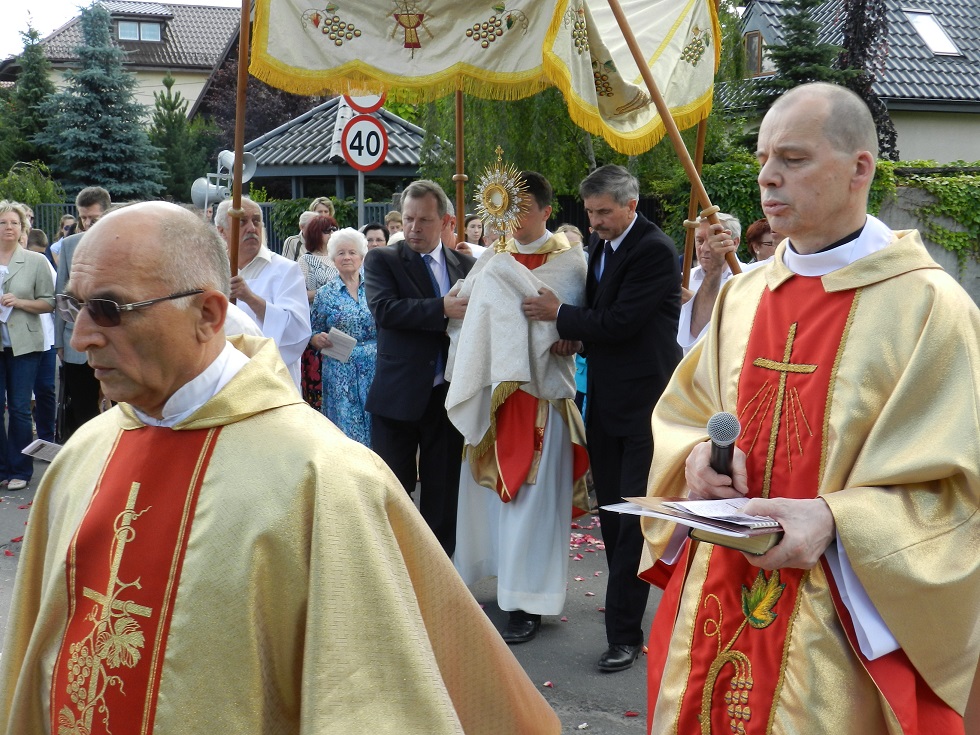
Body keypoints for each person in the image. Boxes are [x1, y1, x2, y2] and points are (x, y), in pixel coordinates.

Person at [0, 201, 561, 734]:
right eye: (75, 305)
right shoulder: (86, 453)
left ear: (208, 313)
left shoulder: (322, 476)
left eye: (110, 309)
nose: (80, 338)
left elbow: (364, 701)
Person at [642, 82, 979, 734]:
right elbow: (685, 413)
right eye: (765, 156)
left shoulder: (931, 309)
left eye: (792, 159)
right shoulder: (743, 297)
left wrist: (835, 517)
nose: (767, 176)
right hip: (716, 595)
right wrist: (693, 464)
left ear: (860, 168)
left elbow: (958, 493)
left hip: (839, 627)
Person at [523, 164, 682, 672]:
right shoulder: (603, 247)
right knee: (611, 515)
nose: (594, 223)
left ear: (631, 205)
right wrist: (579, 337)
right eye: (590, 213)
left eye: (604, 213)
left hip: (646, 406)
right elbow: (605, 323)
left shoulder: (654, 250)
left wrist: (560, 316)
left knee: (632, 519)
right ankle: (622, 612)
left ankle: (625, 635)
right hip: (608, 403)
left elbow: (624, 321)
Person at [449, 171, 591, 643]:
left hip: (541, 399)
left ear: (548, 212)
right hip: (493, 395)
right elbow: (466, 307)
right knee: (486, 501)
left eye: (523, 209)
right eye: (507, 208)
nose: (513, 218)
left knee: (532, 504)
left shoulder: (569, 262)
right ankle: (495, 579)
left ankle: (528, 600)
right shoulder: (492, 256)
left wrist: (570, 329)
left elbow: (576, 325)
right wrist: (460, 301)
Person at [363, 180, 475, 555]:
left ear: (445, 221)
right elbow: (385, 310)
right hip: (398, 396)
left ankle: (441, 581)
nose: (413, 228)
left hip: (448, 397)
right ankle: (391, 576)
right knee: (392, 493)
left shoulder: (467, 265)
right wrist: (441, 308)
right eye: (408, 219)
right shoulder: (383, 260)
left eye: (424, 220)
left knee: (443, 498)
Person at [214, 197, 310, 391]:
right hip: (223, 381)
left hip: (272, 382)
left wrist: (250, 298)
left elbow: (298, 332)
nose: (252, 228)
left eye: (256, 221)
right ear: (221, 231)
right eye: (242, 222)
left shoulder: (286, 270)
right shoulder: (211, 270)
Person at [0, 201, 55, 490]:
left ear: (23, 228)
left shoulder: (36, 262)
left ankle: (20, 470)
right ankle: (1, 468)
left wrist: (19, 302)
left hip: (25, 346)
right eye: (3, 222)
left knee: (20, 408)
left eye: (14, 223)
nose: (9, 228)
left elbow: (49, 302)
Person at [310, 228, 376, 446]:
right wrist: (316, 339)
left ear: (361, 256)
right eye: (341, 253)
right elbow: (312, 329)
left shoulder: (378, 288)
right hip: (340, 370)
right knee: (346, 430)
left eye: (352, 252)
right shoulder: (324, 293)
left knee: (379, 428)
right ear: (333, 258)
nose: (347, 257)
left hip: (375, 368)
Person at [54, 185, 110, 442]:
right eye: (83, 218)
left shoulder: (119, 242)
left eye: (93, 218)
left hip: (113, 335)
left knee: (120, 405)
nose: (87, 223)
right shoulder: (69, 245)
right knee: (83, 408)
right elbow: (61, 295)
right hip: (74, 339)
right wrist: (58, 342)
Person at [676, 212, 741, 354]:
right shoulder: (683, 281)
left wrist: (695, 302)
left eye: (713, 241)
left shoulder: (750, 278)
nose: (705, 248)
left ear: (734, 243)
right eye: (700, 240)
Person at [296, 214, 339, 409]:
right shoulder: (306, 260)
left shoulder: (342, 256)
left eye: (334, 229)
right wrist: (327, 291)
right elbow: (299, 295)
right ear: (315, 234)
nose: (332, 234)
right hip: (318, 327)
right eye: (327, 230)